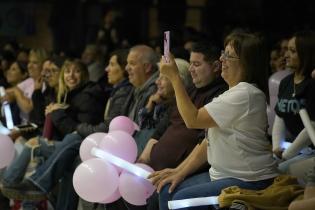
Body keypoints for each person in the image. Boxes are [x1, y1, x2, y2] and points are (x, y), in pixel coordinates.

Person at [150, 32, 279, 210]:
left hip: (249, 180)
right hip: (224, 176)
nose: (221, 59)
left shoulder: (245, 93)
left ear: (246, 62)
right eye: (222, 53)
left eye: (228, 55)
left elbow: (192, 120)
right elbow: (207, 142)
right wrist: (178, 171)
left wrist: (174, 77)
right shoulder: (233, 92)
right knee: (166, 190)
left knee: (178, 201)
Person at [272, 31, 315, 173]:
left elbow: (312, 127)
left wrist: (287, 154)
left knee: (279, 174)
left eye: (292, 51)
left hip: (310, 149)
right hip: (294, 149)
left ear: (305, 54)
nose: (285, 55)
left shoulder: (312, 84)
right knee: (267, 170)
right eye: (286, 50)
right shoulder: (285, 82)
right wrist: (276, 148)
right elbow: (280, 116)